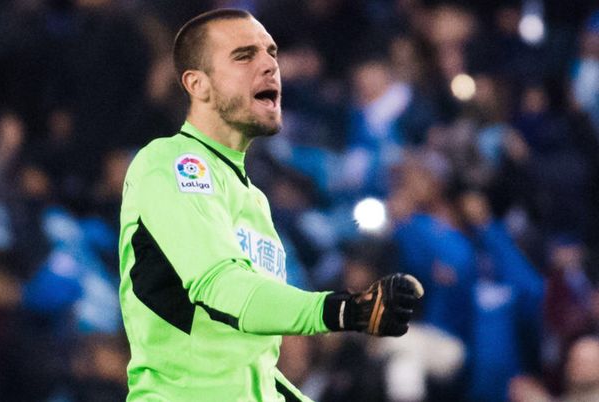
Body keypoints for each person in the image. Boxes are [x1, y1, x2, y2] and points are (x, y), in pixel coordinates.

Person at [117, 8, 424, 402]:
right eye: (244, 56)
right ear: (198, 84)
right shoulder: (170, 163)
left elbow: (255, 369)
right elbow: (221, 286)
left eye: (271, 53)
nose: (269, 66)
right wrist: (344, 311)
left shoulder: (254, 200)